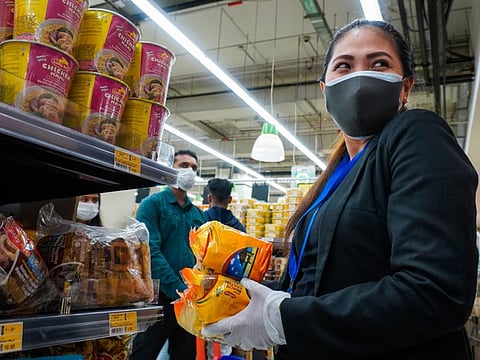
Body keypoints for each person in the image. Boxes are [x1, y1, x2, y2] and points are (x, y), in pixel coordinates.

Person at [201, 18, 479, 359]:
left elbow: (435, 290)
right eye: (344, 66)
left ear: (405, 87)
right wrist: (248, 298)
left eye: (379, 64)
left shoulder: (416, 134)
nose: (359, 78)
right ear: (325, 90)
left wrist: (281, 318)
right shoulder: (335, 178)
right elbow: (326, 281)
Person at [130, 149, 207, 360]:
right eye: (183, 165)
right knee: (144, 352)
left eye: (194, 168)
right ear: (169, 168)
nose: (189, 171)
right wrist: (179, 289)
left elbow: (203, 256)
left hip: (189, 301)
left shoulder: (198, 214)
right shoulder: (152, 205)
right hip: (159, 297)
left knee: (185, 353)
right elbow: (150, 252)